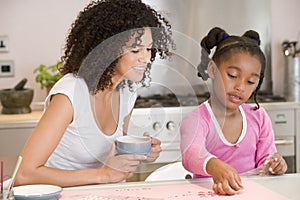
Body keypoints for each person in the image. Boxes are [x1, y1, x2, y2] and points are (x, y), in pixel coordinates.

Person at [15, 0, 175, 187]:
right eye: (135, 49)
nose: (146, 58)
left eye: (148, 48)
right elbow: (24, 175)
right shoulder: (70, 94)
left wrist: (140, 153)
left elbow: (113, 157)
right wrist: (103, 176)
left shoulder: (127, 92)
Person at [180, 27, 287, 195]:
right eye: (232, 75)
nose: (240, 87)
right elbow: (191, 155)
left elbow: (266, 158)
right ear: (212, 70)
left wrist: (274, 164)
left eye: (250, 82)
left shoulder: (258, 116)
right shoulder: (197, 119)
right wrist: (215, 166)